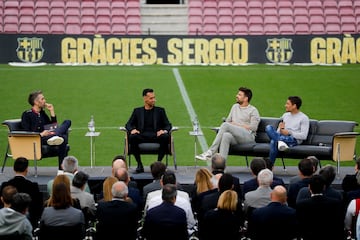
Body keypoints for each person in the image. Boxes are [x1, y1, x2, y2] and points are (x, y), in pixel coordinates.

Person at [196, 87, 260, 161]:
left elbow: (254, 127)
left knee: (225, 125)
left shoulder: (253, 110)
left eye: (239, 95)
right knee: (226, 136)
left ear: (246, 98)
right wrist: (230, 124)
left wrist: (236, 125)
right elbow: (228, 121)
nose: (236, 96)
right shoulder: (234, 107)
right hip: (237, 136)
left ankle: (211, 151)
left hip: (248, 137)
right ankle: (222, 168)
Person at [21, 90, 71, 169]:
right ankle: (61, 170)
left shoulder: (42, 113)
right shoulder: (27, 114)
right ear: (36, 102)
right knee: (63, 138)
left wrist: (52, 111)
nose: (45, 101)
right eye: (42, 99)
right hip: (39, 139)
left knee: (67, 122)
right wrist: (41, 134)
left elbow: (53, 126)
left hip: (50, 135)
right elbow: (26, 132)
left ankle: (56, 136)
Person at [125, 88, 172, 173]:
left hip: (156, 136)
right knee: (132, 137)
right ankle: (139, 164)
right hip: (141, 136)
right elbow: (128, 124)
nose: (154, 100)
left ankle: (158, 164)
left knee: (165, 136)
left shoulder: (160, 111)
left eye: (154, 98)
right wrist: (132, 130)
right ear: (145, 98)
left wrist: (164, 131)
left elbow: (168, 125)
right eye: (151, 98)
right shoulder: (137, 111)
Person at [296, 175, 344, 240]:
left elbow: (299, 226)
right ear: (324, 187)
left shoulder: (301, 205)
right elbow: (339, 225)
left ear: (309, 187)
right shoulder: (335, 203)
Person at [0, 157, 43, 228]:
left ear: (14, 169)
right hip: (28, 223)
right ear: (26, 169)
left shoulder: (5, 185)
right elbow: (38, 208)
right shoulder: (33, 186)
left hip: (6, 222)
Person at [265, 96, 310, 165]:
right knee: (268, 127)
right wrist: (281, 129)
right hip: (282, 137)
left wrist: (289, 132)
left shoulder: (304, 118)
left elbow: (304, 136)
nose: (285, 105)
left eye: (288, 104)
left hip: (293, 140)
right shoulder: (285, 115)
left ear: (294, 106)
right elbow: (277, 133)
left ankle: (269, 167)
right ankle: (280, 141)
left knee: (273, 141)